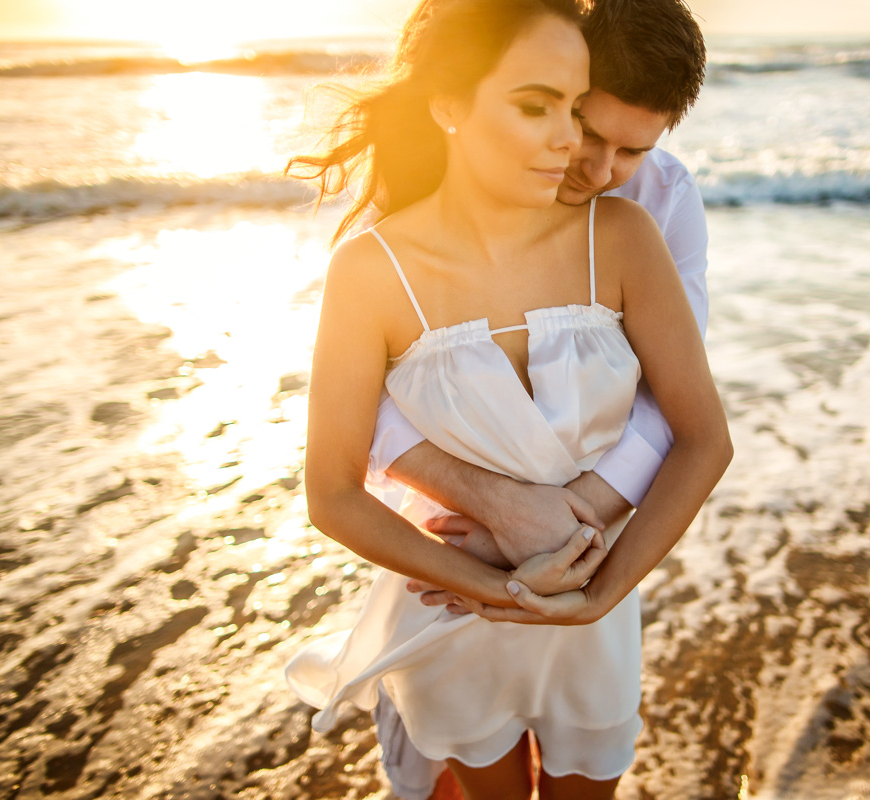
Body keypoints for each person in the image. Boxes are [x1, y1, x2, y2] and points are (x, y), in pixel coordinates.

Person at [283, 0, 731, 797]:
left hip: (592, 579)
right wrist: (489, 551)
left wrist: (587, 567)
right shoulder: (383, 254)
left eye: (629, 148)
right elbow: (355, 447)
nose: (583, 160)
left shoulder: (635, 226)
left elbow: (686, 418)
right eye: (559, 115)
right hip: (456, 588)